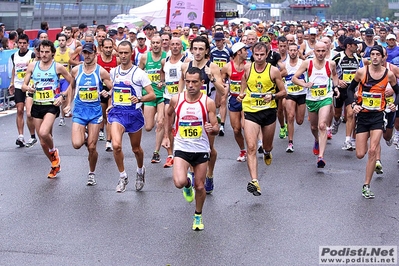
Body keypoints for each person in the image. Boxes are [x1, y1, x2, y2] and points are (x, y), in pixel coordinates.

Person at [163, 67, 219, 230]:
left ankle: (198, 215)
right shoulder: (176, 99)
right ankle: (187, 184)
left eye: (195, 82)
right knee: (179, 182)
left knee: (200, 186)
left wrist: (212, 128)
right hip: (182, 147)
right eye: (188, 81)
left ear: (202, 83)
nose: (190, 85)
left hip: (201, 148)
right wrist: (167, 136)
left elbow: (216, 126)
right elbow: (168, 114)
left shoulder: (207, 102)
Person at [346, 45, 399, 199]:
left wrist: (394, 104)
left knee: (372, 150)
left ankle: (366, 185)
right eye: (372, 54)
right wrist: (354, 105)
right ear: (370, 57)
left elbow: (398, 91)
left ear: (383, 58)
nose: (375, 57)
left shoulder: (389, 75)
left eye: (378, 55)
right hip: (363, 116)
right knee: (360, 154)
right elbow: (350, 90)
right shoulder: (362, 72)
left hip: (378, 116)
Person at [236, 42, 287, 196]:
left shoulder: (273, 71)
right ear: (252, 54)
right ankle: (255, 181)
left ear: (267, 55)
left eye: (262, 55)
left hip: (268, 111)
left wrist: (272, 96)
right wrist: (241, 94)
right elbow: (244, 83)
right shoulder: (247, 68)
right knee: (251, 147)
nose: (258, 58)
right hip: (251, 110)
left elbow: (284, 92)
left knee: (267, 145)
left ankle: (267, 151)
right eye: (256, 55)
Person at [179, 36, 225, 194]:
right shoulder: (185, 66)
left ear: (206, 51)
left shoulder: (212, 67)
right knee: (190, 143)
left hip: (207, 111)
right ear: (191, 50)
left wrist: (212, 78)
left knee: (209, 148)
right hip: (189, 112)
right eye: (195, 49)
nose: (197, 52)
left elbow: (222, 91)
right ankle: (194, 173)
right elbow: (180, 90)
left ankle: (209, 175)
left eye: (201, 49)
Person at [21, 40, 73, 178]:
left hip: (52, 105)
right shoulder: (32, 66)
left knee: (44, 133)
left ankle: (54, 152)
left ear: (52, 53)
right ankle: (54, 164)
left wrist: (63, 96)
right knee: (42, 141)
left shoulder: (58, 67)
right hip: (38, 104)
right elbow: (23, 86)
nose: (43, 55)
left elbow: (72, 81)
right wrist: (29, 88)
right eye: (41, 52)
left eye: (46, 52)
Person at [108, 41, 155, 193]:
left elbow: (152, 94)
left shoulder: (139, 73)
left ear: (131, 54)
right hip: (118, 114)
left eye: (126, 53)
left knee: (136, 149)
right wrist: (111, 102)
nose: (123, 56)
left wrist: (140, 99)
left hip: (134, 114)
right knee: (116, 145)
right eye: (120, 53)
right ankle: (123, 176)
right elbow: (114, 91)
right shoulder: (113, 72)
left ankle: (140, 171)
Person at [66, 43, 113, 186]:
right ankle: (85, 136)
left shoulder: (101, 72)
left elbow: (114, 88)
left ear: (95, 53)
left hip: (94, 111)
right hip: (80, 110)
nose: (86, 56)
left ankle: (91, 173)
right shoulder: (75, 70)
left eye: (89, 53)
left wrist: (108, 95)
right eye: (84, 53)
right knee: (76, 144)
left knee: (92, 147)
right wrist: (68, 104)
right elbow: (71, 87)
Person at [292, 42, 340, 168]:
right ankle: (317, 140)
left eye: (323, 51)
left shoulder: (331, 63)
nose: (320, 53)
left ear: (327, 51)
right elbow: (294, 78)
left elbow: (334, 75)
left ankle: (321, 157)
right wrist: (305, 85)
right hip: (311, 98)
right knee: (314, 127)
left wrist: (335, 88)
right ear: (314, 51)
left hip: (326, 97)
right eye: (318, 51)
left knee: (322, 125)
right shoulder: (308, 63)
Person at [160, 37, 190, 168]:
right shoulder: (164, 61)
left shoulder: (186, 61)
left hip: (182, 98)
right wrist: (162, 81)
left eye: (178, 44)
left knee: (181, 125)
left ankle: (184, 151)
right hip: (168, 96)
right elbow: (162, 72)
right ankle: (170, 154)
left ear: (181, 46)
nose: (175, 47)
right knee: (167, 123)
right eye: (173, 44)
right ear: (169, 46)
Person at [139, 35, 167, 164]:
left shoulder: (166, 57)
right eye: (153, 43)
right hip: (149, 95)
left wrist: (163, 82)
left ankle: (156, 153)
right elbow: (138, 74)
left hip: (162, 95)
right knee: (149, 127)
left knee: (160, 122)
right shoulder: (145, 57)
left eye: (158, 43)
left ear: (162, 44)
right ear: (151, 44)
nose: (155, 45)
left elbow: (170, 75)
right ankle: (156, 116)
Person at [331, 37, 362, 151]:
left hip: (351, 90)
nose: (357, 46)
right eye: (355, 45)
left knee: (350, 114)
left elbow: (362, 72)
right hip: (340, 90)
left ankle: (347, 140)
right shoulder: (339, 56)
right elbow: (330, 71)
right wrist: (338, 81)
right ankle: (336, 122)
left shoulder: (358, 58)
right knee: (337, 114)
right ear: (349, 46)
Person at [8, 34, 37, 148]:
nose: (22, 45)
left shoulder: (32, 54)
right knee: (19, 110)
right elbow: (14, 70)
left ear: (27, 44)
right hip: (19, 85)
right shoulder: (13, 55)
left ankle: (33, 135)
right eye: (20, 43)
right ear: (17, 43)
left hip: (30, 86)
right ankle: (21, 136)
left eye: (24, 43)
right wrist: (12, 83)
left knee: (30, 113)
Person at [221, 42, 247, 161]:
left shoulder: (249, 65)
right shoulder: (228, 67)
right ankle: (242, 150)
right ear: (238, 52)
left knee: (245, 126)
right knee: (236, 129)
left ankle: (257, 144)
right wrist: (224, 89)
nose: (247, 52)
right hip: (234, 99)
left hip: (247, 99)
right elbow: (222, 81)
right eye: (244, 50)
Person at [97, 38, 120, 151]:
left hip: (112, 90)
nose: (108, 49)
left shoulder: (117, 60)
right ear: (101, 48)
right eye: (106, 47)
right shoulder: (97, 59)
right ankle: (101, 130)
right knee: (103, 116)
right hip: (100, 91)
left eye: (110, 47)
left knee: (110, 115)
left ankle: (109, 141)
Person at [284, 43, 306, 152]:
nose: (292, 52)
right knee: (290, 116)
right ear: (288, 51)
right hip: (290, 94)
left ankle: (297, 111)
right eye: (291, 50)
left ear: (297, 51)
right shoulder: (284, 64)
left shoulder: (302, 63)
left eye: (294, 50)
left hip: (302, 93)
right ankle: (290, 142)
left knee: (300, 121)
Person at [54, 33, 80, 127]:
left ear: (66, 41)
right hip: (57, 78)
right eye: (59, 40)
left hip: (66, 78)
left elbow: (74, 62)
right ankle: (61, 115)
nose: (61, 42)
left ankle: (62, 117)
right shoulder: (55, 52)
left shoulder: (70, 51)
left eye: (63, 40)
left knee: (63, 97)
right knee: (58, 97)